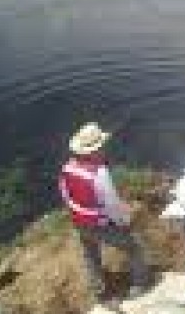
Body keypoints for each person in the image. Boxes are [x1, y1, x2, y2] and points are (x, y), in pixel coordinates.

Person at [58, 122, 149, 301]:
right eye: (101, 146)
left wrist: (79, 214)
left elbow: (65, 194)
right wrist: (124, 222)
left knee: (90, 253)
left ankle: (99, 290)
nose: (104, 149)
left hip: (79, 222)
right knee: (133, 248)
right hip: (100, 224)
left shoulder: (67, 167)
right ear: (94, 150)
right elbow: (112, 206)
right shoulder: (99, 173)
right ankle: (139, 285)